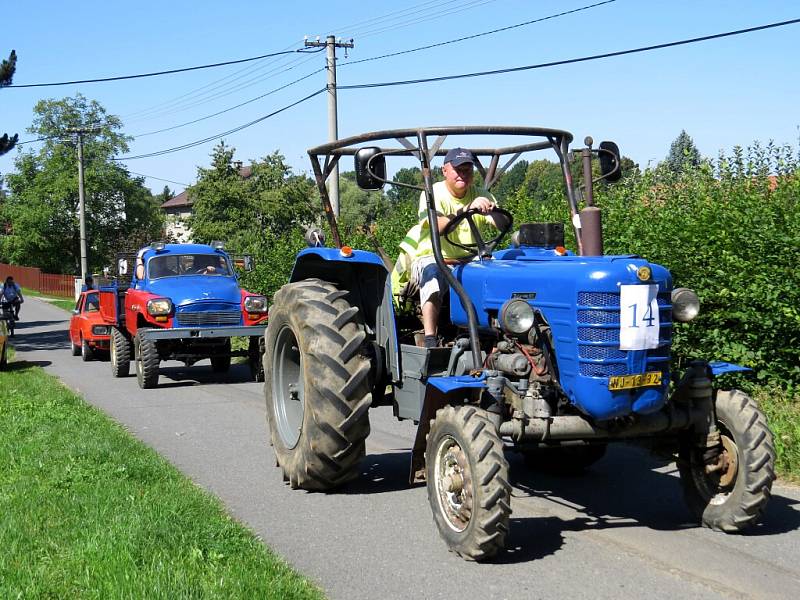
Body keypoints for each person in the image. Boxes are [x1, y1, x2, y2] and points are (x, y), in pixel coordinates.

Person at [391, 148, 509, 348]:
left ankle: (504, 330)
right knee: (433, 275)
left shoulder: (481, 194)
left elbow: (503, 223)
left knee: (502, 274)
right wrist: (466, 209)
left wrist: (493, 212)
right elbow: (437, 226)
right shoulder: (433, 193)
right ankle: (430, 338)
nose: (463, 174)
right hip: (435, 256)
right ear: (445, 170)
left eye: (467, 169)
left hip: (471, 259)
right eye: (458, 169)